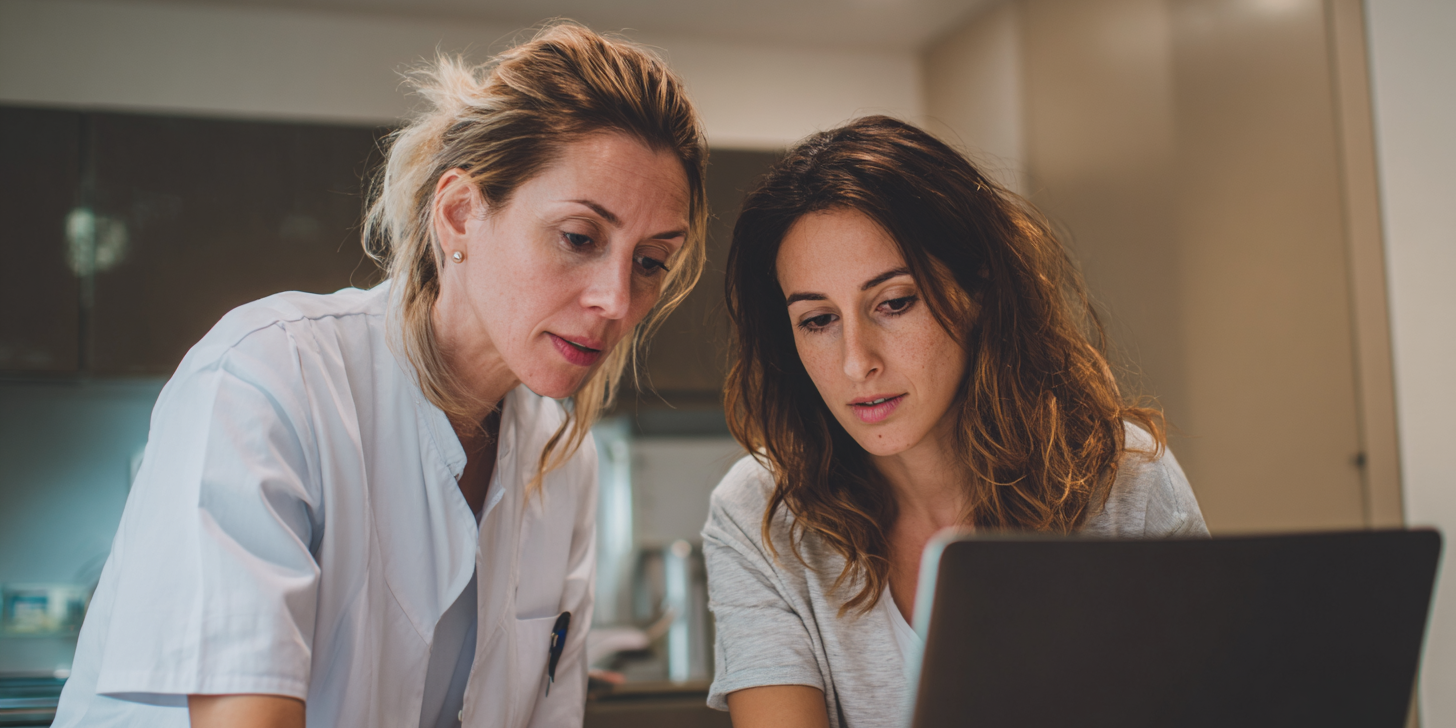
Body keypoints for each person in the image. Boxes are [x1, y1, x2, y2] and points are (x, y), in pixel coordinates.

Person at [52, 23, 707, 728]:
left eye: (649, 262)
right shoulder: (268, 377)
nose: (616, 300)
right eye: (579, 238)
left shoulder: (562, 459)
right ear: (459, 215)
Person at [703, 116, 1207, 728]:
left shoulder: (1122, 482)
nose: (857, 362)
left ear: (978, 291)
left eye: (893, 303)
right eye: (817, 320)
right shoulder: (761, 516)